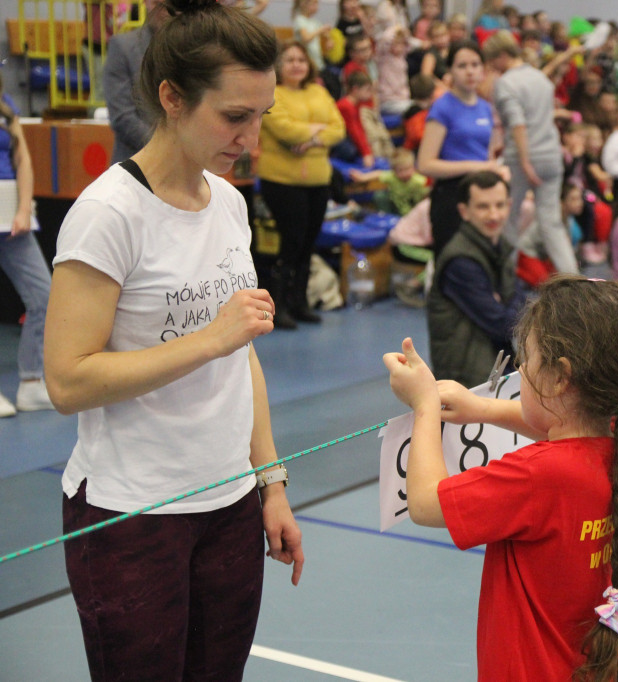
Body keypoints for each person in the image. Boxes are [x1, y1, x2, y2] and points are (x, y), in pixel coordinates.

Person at [44, 1, 304, 678]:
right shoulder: (107, 214)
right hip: (132, 515)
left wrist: (269, 482)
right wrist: (210, 340)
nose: (250, 139)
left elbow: (240, 356)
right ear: (171, 97)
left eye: (261, 116)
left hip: (229, 509)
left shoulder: (228, 203)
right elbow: (67, 381)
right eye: (234, 117)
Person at [383, 273, 618, 681]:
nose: (522, 367)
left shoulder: (539, 474)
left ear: (560, 376)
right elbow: (565, 424)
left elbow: (426, 502)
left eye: (526, 360)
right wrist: (482, 409)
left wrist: (423, 404)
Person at [259, 40, 346, 328]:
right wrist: (315, 132)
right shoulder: (270, 94)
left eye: (301, 60)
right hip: (283, 181)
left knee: (308, 245)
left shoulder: (319, 91)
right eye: (289, 59)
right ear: (277, 66)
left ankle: (300, 302)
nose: (296, 64)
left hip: (318, 180)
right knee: (290, 244)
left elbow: (339, 128)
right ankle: (279, 306)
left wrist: (311, 139)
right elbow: (284, 129)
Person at [483, 30, 576, 275]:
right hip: (551, 154)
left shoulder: (505, 84)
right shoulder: (540, 78)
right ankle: (574, 280)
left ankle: (505, 281)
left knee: (508, 220)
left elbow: (518, 124)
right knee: (551, 223)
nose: (491, 67)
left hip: (524, 158)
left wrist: (524, 162)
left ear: (502, 56)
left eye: (492, 60)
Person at [426, 171, 524, 386]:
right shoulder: (460, 261)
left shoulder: (499, 248)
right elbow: (504, 325)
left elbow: (519, 297)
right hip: (469, 378)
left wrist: (510, 303)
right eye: (483, 206)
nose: (493, 215)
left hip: (496, 364)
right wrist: (511, 304)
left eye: (499, 205)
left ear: (509, 206)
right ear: (464, 211)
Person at [0, 73, 54, 416]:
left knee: (44, 295)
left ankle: (32, 382)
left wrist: (23, 207)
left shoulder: (7, 109)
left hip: (10, 218)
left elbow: (23, 160)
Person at [417, 41, 502, 256]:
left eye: (475, 65)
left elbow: (488, 154)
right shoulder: (442, 107)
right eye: (462, 66)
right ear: (451, 71)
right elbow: (425, 164)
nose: (470, 71)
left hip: (480, 197)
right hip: (450, 197)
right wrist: (474, 166)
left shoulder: (485, 107)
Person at [102, 0, 170, 163]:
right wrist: (169, 148)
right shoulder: (122, 47)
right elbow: (123, 118)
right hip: (134, 165)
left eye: (170, 5)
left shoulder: (192, 50)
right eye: (158, 4)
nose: (164, 11)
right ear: (147, 3)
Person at [349, 147, 430, 215]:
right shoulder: (392, 177)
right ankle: (385, 217)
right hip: (398, 208)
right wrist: (362, 177)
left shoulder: (420, 181)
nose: (405, 173)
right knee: (380, 196)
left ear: (414, 167)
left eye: (408, 169)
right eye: (400, 171)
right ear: (394, 171)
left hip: (414, 210)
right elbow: (378, 173)